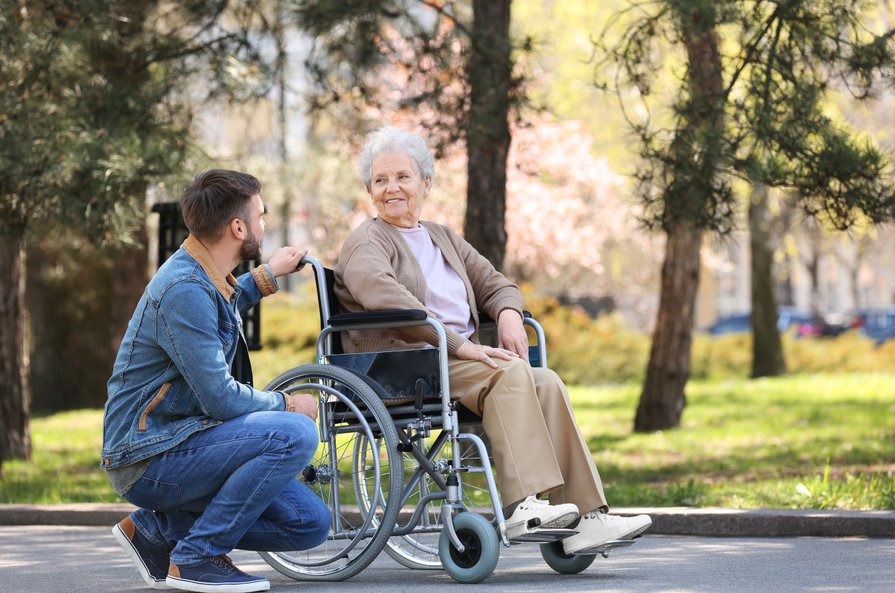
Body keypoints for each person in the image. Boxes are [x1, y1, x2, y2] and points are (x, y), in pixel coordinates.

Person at [333, 126, 652, 556]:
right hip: (405, 364)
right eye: (380, 180)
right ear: (370, 190)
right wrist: (459, 344)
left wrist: (507, 315)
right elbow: (387, 299)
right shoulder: (365, 243)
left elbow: (495, 282)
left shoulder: (441, 236)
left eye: (402, 177)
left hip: (454, 359)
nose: (392, 188)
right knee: (508, 374)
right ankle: (523, 505)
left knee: (547, 382)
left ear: (426, 182)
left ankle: (587, 517)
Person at [101, 170, 329, 593]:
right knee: (294, 433)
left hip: (184, 440)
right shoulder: (184, 287)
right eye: (260, 216)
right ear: (237, 227)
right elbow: (221, 399)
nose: (263, 224)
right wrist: (286, 404)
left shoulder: (201, 277)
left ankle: (157, 530)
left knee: (309, 524)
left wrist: (267, 275)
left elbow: (220, 307)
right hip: (149, 456)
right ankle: (196, 557)